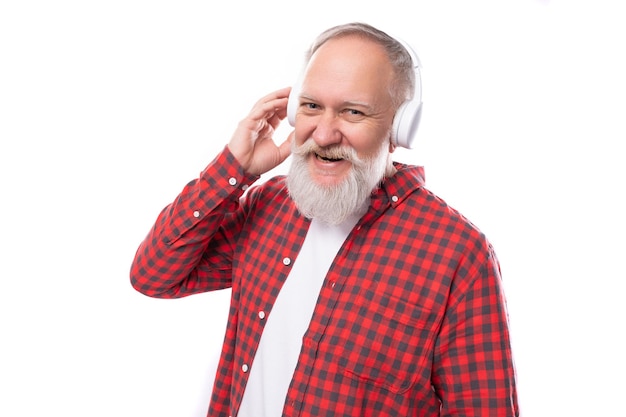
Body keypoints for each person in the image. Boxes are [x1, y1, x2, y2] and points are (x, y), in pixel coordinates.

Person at [130, 22, 519, 417]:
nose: (325, 133)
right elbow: (154, 275)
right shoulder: (270, 204)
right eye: (312, 106)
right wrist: (235, 169)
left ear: (399, 128)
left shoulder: (459, 254)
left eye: (353, 112)